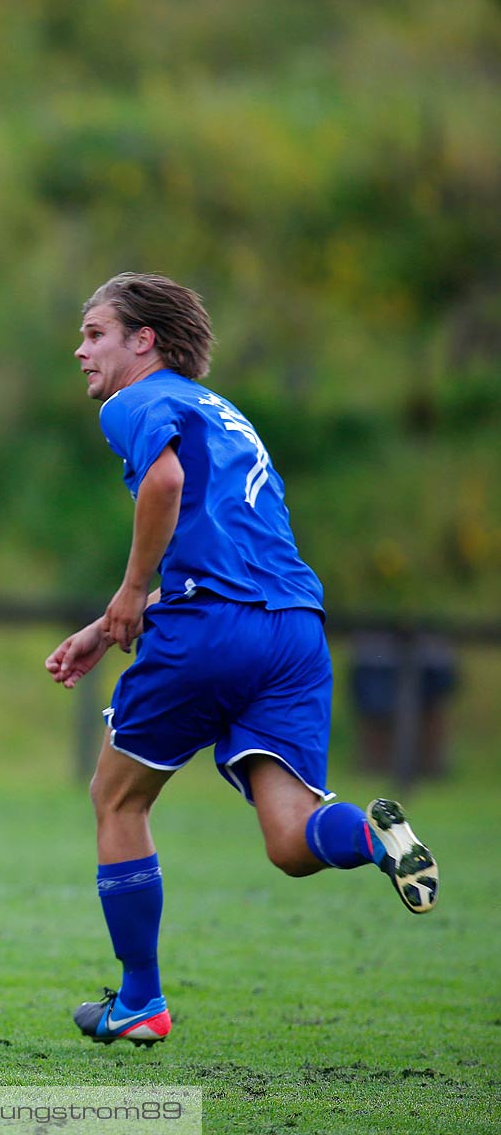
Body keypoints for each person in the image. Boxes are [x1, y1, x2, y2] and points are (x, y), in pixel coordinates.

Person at [45, 272, 440, 1046]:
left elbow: (162, 481)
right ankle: (373, 837)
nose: (82, 350)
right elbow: (230, 560)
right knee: (292, 843)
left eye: (95, 334)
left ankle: (140, 1002)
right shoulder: (229, 419)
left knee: (117, 801)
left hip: (209, 630)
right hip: (293, 630)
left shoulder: (136, 402)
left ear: (143, 341)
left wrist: (129, 592)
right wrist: (109, 623)